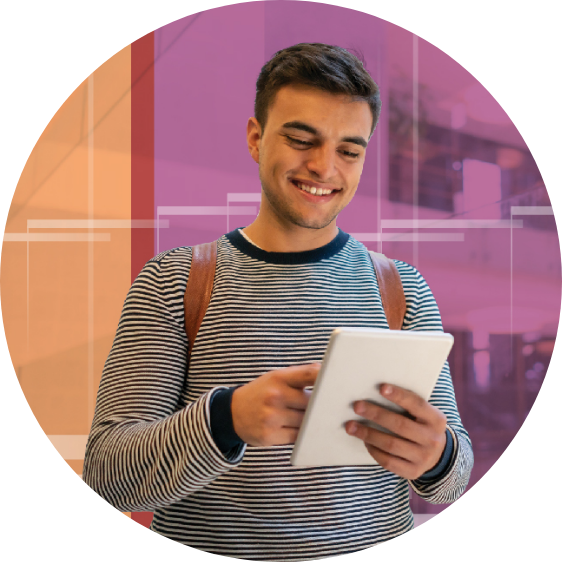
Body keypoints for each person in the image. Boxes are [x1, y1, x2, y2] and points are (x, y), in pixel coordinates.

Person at [83, 43, 473, 559]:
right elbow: (107, 476)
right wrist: (228, 419)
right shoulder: (174, 280)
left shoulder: (401, 288)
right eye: (300, 139)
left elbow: (453, 477)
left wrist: (438, 455)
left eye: (349, 151)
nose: (324, 167)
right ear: (256, 138)